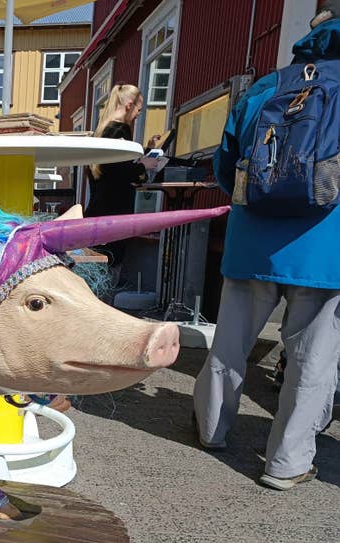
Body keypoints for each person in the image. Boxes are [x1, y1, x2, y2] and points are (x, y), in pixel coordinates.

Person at [193, 3, 340, 490]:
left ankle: (211, 429)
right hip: (325, 246)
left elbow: (225, 163)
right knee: (312, 358)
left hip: (252, 238)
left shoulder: (266, 87)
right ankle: (286, 463)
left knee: (231, 344)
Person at [84, 83, 161, 266]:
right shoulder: (120, 130)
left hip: (97, 214)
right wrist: (143, 166)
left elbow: (111, 169)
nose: (137, 115)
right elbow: (119, 173)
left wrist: (146, 151)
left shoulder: (103, 130)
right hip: (114, 217)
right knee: (110, 267)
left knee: (96, 268)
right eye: (138, 110)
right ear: (129, 105)